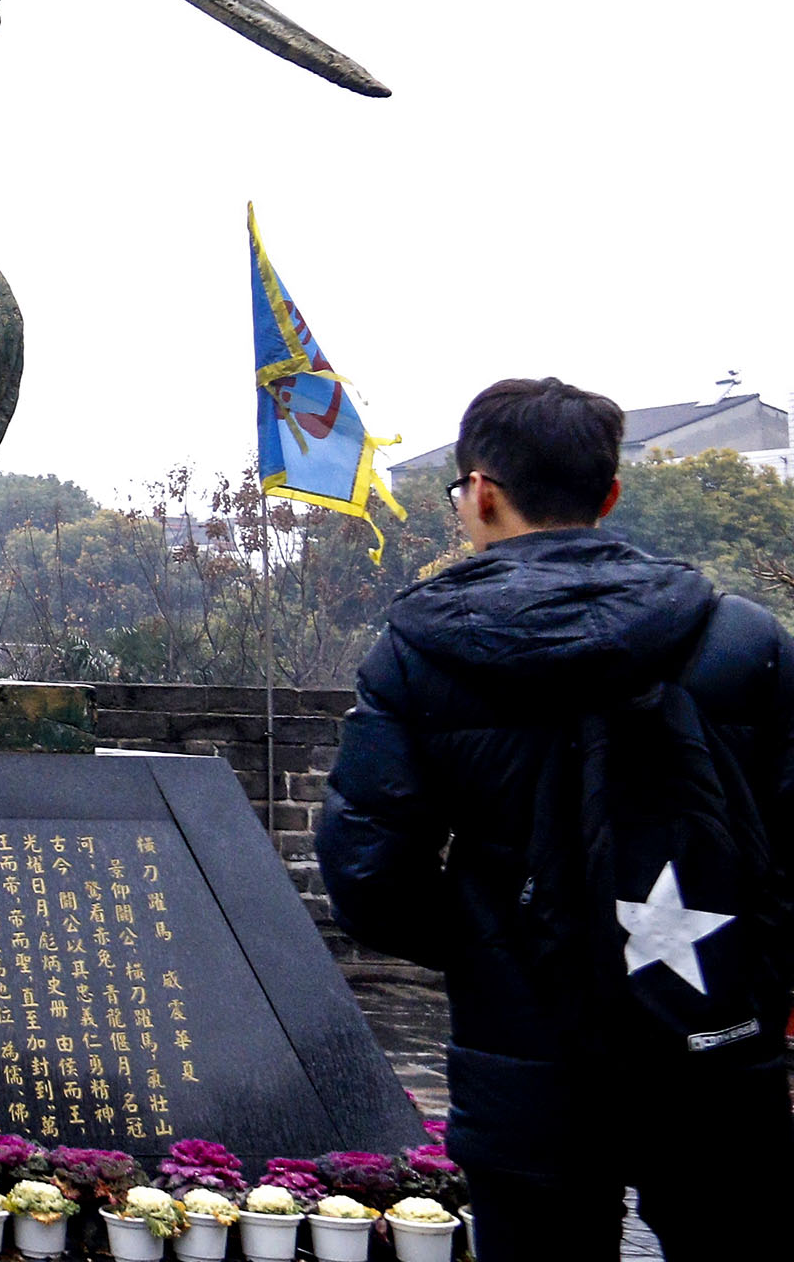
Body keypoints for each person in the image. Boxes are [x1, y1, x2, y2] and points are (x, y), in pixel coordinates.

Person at [319, 376, 794, 1260]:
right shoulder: (747, 643)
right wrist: (757, 970)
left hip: (525, 1056)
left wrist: (496, 941)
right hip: (716, 1046)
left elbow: (367, 875)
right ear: (609, 494)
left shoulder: (421, 654)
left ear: (482, 493)